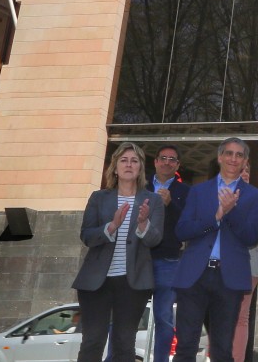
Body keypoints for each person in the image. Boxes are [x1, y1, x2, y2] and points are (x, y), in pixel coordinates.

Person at [173, 138, 258, 362]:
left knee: (223, 350)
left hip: (229, 278)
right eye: (229, 153)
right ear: (220, 157)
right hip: (195, 275)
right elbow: (182, 231)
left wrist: (230, 212)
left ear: (245, 161)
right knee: (185, 346)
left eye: (239, 155)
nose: (234, 159)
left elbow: (251, 237)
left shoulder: (253, 196)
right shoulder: (198, 191)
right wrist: (215, 217)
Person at [72, 142, 164, 362]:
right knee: (93, 340)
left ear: (141, 168)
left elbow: (155, 239)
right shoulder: (98, 197)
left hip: (132, 283)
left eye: (134, 161)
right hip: (96, 282)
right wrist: (111, 226)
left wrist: (143, 225)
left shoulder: (153, 200)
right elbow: (86, 236)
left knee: (124, 343)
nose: (129, 165)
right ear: (114, 167)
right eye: (124, 160)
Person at [147, 145, 190, 362]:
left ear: (178, 165)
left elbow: (189, 225)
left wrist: (170, 204)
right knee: (126, 314)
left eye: (172, 159)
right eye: (163, 158)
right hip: (139, 259)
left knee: (163, 318)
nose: (167, 162)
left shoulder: (185, 191)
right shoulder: (140, 185)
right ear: (155, 161)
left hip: (169, 260)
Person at [234, 161, 258, 362]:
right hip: (221, 264)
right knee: (220, 317)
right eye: (241, 170)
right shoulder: (219, 195)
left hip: (249, 264)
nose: (245, 173)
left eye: (248, 169)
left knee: (241, 317)